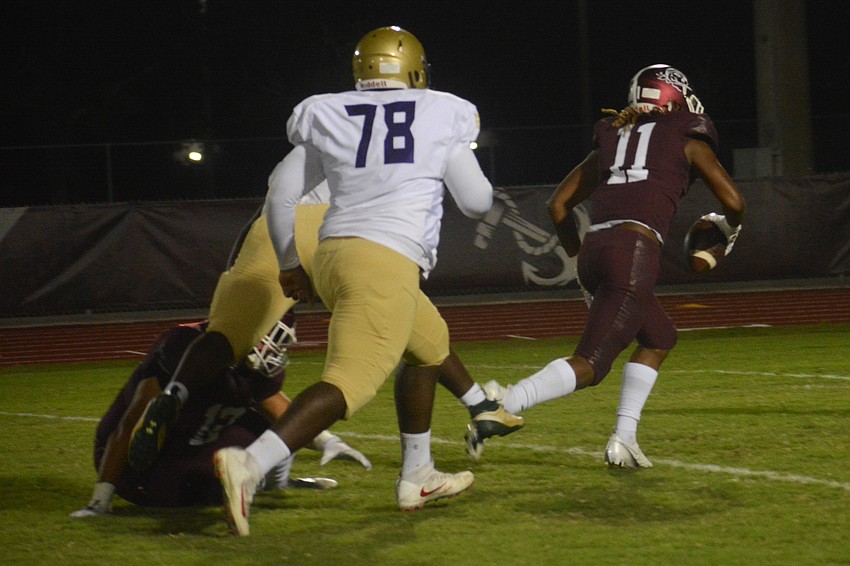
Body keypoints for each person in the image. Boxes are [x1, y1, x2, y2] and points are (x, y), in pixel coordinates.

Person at [213, 25, 502, 536]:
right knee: (350, 380)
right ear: (414, 68)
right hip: (385, 256)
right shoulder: (441, 110)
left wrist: (288, 264)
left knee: (429, 346)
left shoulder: (327, 111)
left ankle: (418, 473)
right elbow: (477, 201)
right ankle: (251, 465)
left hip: (331, 251)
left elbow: (282, 193)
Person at [484, 65, 747, 468]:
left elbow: (557, 206)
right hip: (634, 249)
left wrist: (577, 263)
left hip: (594, 249)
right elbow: (734, 201)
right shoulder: (687, 138)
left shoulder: (613, 135)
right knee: (592, 363)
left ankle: (624, 438)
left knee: (660, 337)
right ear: (673, 98)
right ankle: (505, 401)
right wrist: (729, 228)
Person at [71, 317, 371, 517]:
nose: (274, 347)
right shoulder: (185, 349)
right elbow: (132, 424)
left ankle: (277, 483)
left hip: (193, 437)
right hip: (140, 464)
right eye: (270, 335)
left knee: (263, 431)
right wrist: (101, 499)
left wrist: (329, 441)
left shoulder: (253, 366)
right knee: (215, 482)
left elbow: (283, 413)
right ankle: (254, 482)